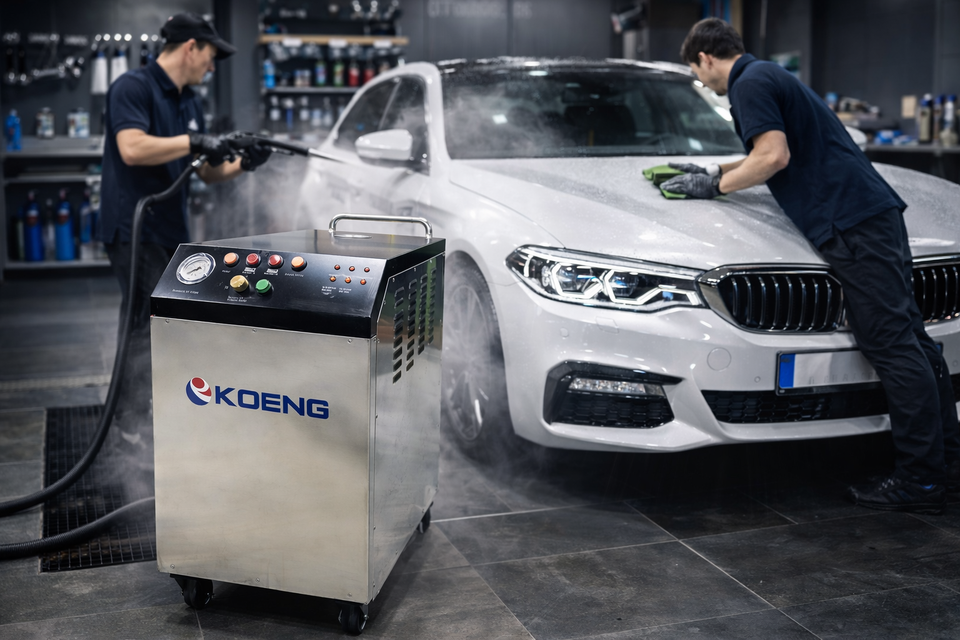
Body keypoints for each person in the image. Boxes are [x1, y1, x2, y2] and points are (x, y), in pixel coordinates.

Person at [661, 18, 959, 514]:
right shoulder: (768, 74)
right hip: (873, 216)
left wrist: (714, 187)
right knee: (911, 341)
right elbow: (775, 152)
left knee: (892, 345)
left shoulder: (748, 84)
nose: (703, 82)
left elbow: (772, 157)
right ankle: (944, 464)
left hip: (852, 224)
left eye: (697, 72)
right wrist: (713, 169)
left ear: (705, 58)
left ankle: (920, 480)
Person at [97, 13, 272, 457]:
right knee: (145, 323)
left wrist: (244, 163)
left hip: (170, 229)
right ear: (191, 47)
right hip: (133, 226)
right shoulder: (132, 87)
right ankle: (130, 426)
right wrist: (195, 142)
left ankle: (154, 410)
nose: (212, 66)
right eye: (211, 56)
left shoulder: (189, 102)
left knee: (165, 324)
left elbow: (208, 173)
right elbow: (132, 148)